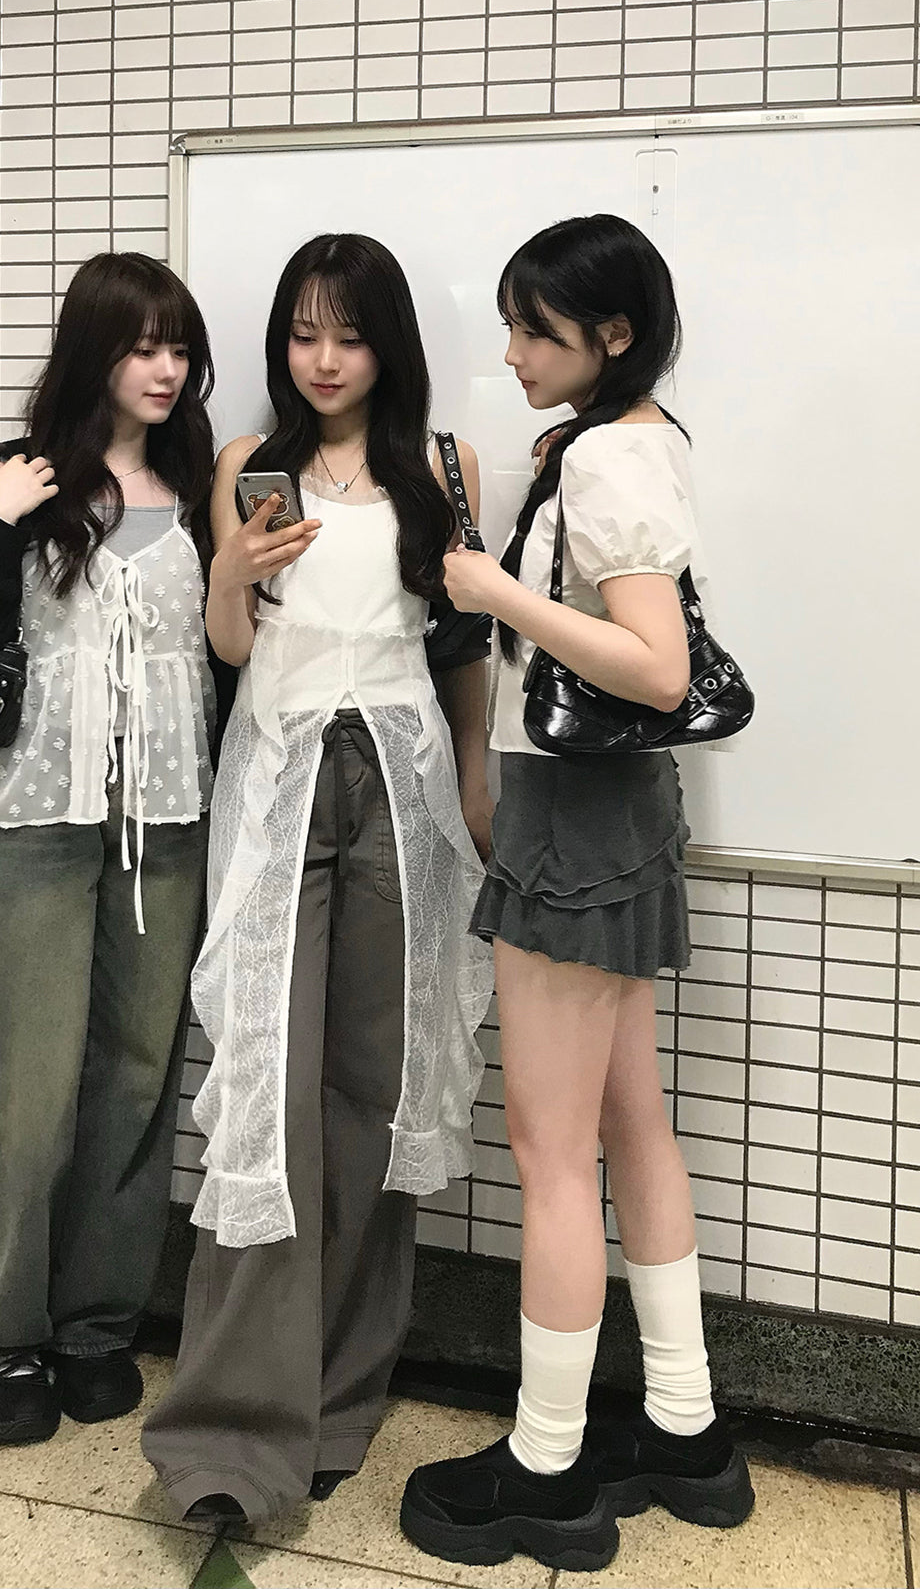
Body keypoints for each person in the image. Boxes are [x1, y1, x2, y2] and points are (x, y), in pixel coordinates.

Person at [400, 214, 754, 1572]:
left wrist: (492, 589)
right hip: (619, 814)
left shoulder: (607, 455)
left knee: (554, 1152)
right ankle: (683, 1431)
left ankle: (546, 1467)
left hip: (574, 819)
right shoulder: (634, 438)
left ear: (612, 335)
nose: (511, 354)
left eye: (535, 331)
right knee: (632, 1123)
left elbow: (656, 666)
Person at [142, 232, 495, 1523]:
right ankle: (229, 1435)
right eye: (303, 332)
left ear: (387, 342)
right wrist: (231, 576)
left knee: (370, 1093)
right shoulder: (251, 463)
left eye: (349, 334)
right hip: (280, 784)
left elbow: (463, 640)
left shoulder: (446, 466)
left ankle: (341, 1395)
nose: (325, 358)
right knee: (267, 1096)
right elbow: (231, 648)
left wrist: (476, 775)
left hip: (403, 790)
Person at [0, 252, 220, 1445]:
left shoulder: (203, 484)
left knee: (139, 1072)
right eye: (142, 345)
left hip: (169, 817)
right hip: (41, 817)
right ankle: (3, 1335)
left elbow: (227, 653)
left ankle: (97, 1321)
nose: (165, 368)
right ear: (93, 350)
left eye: (179, 346)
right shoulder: (16, 475)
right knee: (30, 1085)